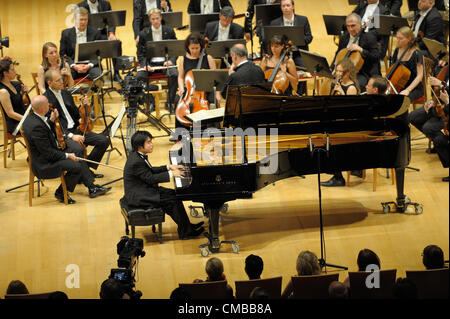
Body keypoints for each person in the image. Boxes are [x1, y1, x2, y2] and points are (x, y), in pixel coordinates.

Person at [22, 95, 111, 204]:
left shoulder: (34, 118)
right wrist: (67, 156)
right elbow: (48, 153)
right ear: (41, 108)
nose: (49, 106)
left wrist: (51, 120)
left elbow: (46, 134)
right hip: (44, 163)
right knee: (77, 166)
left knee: (78, 152)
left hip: (48, 153)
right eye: (47, 104)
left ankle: (91, 187)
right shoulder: (36, 127)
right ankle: (60, 193)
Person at [122, 130, 204, 239]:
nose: (152, 145)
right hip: (140, 196)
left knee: (175, 194)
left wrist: (168, 167)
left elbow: (149, 170)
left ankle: (187, 226)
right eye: (149, 142)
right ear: (140, 146)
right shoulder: (136, 161)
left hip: (143, 190)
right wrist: (171, 174)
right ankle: (185, 232)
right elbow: (151, 178)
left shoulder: (137, 155)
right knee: (172, 200)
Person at [43, 69, 109, 178]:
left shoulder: (65, 92)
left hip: (76, 128)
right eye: (57, 80)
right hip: (63, 135)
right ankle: (86, 174)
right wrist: (72, 136)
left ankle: (86, 168)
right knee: (78, 149)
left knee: (104, 140)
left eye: (61, 79)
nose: (61, 82)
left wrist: (83, 106)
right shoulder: (46, 99)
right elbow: (53, 126)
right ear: (49, 83)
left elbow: (75, 114)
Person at [320, 58, 360, 187]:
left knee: (332, 139)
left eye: (339, 71)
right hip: (340, 121)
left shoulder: (351, 88)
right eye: (336, 71)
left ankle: (338, 177)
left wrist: (341, 92)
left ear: (347, 73)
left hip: (349, 125)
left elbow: (349, 110)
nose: (336, 74)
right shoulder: (338, 83)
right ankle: (332, 170)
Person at [136, 8, 179, 111]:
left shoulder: (169, 31)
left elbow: (175, 49)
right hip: (150, 64)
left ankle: (169, 101)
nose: (155, 21)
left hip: (165, 63)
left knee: (174, 74)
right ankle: (150, 101)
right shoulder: (143, 34)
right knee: (139, 77)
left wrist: (171, 61)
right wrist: (144, 65)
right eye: (153, 19)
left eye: (157, 18)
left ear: (161, 18)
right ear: (150, 20)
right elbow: (140, 53)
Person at [269, 0, 313, 95]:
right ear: (281, 8)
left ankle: (300, 93)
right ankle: (281, 92)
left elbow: (309, 37)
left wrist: (297, 41)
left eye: (288, 5)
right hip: (281, 54)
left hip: (298, 53)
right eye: (283, 6)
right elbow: (272, 40)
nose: (286, 8)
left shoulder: (303, 20)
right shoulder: (274, 23)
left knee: (303, 68)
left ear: (293, 6)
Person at [176, 33, 219, 127]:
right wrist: (181, 88)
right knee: (177, 101)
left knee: (213, 100)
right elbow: (181, 77)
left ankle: (212, 130)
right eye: (192, 48)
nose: (195, 51)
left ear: (201, 46)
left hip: (206, 89)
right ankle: (180, 135)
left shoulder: (208, 58)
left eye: (197, 48)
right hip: (190, 90)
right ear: (188, 47)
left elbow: (215, 77)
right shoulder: (183, 59)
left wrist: (218, 94)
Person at [331, 13, 381, 91]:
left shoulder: (369, 38)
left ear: (360, 24)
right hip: (343, 72)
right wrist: (331, 70)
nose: (350, 29)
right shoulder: (344, 38)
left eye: (353, 25)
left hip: (362, 72)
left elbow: (376, 56)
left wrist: (361, 50)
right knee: (332, 84)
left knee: (353, 85)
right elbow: (337, 55)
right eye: (348, 26)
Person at [409, 74, 448, 172]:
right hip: (437, 106)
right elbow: (437, 92)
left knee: (428, 128)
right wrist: (432, 101)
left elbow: (445, 90)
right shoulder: (445, 70)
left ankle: (441, 144)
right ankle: (437, 141)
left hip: (446, 112)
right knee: (412, 117)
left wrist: (441, 85)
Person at [59, 6, 103, 80]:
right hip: (73, 66)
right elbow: (62, 55)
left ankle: (91, 91)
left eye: (85, 19)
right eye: (81, 19)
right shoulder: (66, 33)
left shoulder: (95, 33)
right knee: (64, 78)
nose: (83, 22)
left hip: (90, 66)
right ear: (75, 20)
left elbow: (99, 53)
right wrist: (74, 66)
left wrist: (89, 65)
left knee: (98, 77)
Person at [390, 26, 424, 102]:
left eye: (401, 38)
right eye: (397, 38)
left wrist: (408, 90)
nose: (398, 41)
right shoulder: (397, 50)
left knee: (399, 101)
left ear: (409, 39)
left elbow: (419, 76)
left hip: (413, 88)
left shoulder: (417, 53)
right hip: (399, 84)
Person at [0, 59, 26, 134]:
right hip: (14, 125)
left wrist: (23, 93)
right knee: (38, 127)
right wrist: (27, 119)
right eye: (12, 69)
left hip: (21, 119)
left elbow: (18, 103)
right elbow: (10, 113)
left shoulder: (15, 84)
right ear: (5, 73)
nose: (15, 71)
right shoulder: (3, 92)